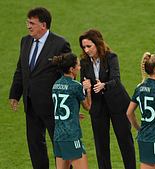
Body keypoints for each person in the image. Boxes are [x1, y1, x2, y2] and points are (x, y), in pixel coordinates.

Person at [9, 7, 71, 169]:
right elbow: (21, 69)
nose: (28, 26)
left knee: (61, 145)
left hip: (53, 106)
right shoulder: (25, 41)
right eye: (27, 22)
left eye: (32, 23)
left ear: (43, 25)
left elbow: (68, 75)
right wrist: (15, 94)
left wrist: (70, 103)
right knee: (35, 146)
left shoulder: (60, 44)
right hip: (30, 104)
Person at [79, 29, 136, 169]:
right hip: (98, 107)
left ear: (98, 44)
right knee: (101, 145)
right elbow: (83, 83)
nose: (86, 50)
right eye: (84, 47)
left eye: (89, 46)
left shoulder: (111, 57)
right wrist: (84, 86)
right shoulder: (84, 62)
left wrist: (103, 85)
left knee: (125, 141)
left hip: (118, 103)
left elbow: (116, 80)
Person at [52, 53, 91, 169]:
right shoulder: (75, 86)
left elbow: (60, 108)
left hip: (58, 135)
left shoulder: (55, 85)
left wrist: (74, 113)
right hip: (71, 136)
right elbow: (88, 106)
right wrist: (88, 90)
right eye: (78, 65)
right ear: (71, 69)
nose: (80, 68)